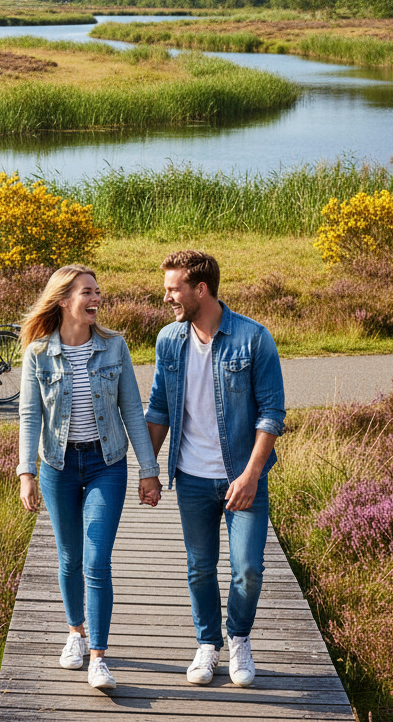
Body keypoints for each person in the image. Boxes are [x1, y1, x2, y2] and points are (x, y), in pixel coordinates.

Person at [145, 250, 286, 689]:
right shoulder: (169, 340)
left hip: (243, 478)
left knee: (248, 570)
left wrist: (250, 475)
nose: (167, 297)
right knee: (200, 568)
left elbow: (272, 414)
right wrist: (149, 469)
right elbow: (159, 408)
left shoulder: (253, 338)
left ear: (200, 289)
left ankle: (239, 638)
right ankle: (207, 644)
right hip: (190, 477)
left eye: (174, 289)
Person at [18, 265, 162, 692]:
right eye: (87, 292)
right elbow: (30, 415)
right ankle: (75, 632)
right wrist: (26, 472)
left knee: (97, 559)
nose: (96, 298)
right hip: (58, 465)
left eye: (98, 291)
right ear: (64, 300)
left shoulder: (114, 346)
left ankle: (98, 657)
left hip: (106, 463)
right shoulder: (38, 353)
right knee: (70, 558)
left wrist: (149, 471)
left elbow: (132, 410)